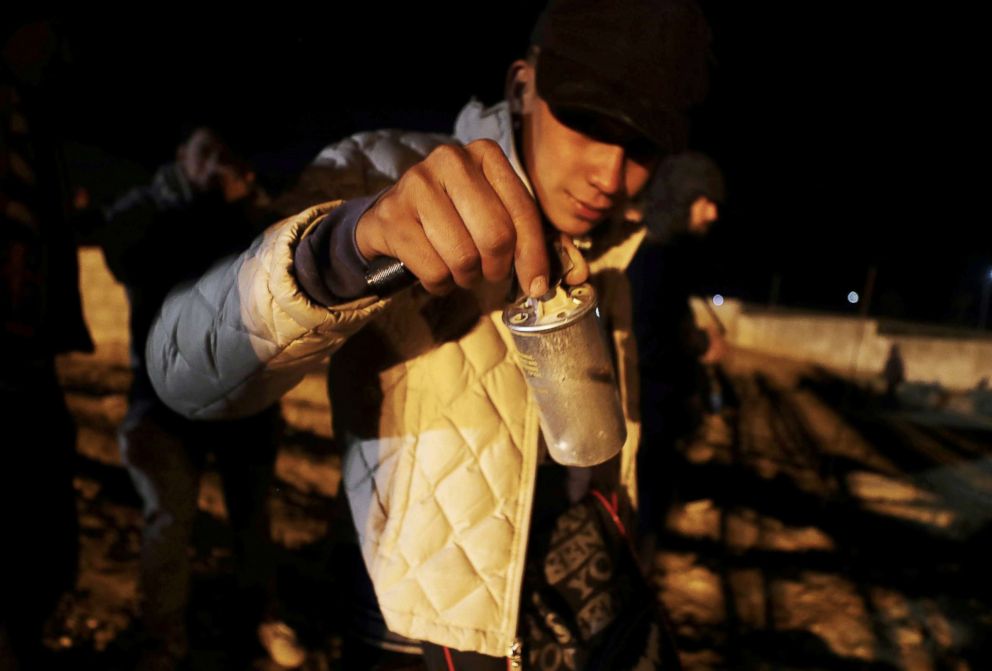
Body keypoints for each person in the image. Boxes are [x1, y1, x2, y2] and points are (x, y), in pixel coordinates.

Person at [145, 1, 712, 667]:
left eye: (642, 145)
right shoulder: (383, 175)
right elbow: (179, 369)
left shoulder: (617, 242)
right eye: (587, 124)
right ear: (523, 88)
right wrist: (341, 254)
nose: (610, 175)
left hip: (567, 615)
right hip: (413, 633)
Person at [97, 127, 304, 669]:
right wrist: (223, 207)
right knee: (168, 519)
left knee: (251, 518)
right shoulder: (148, 211)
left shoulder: (250, 216)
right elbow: (132, 253)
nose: (215, 165)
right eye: (204, 151)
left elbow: (273, 274)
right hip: (164, 397)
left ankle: (261, 617)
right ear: (180, 155)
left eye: (225, 154)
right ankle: (161, 637)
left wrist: (246, 209)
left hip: (246, 396)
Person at [1, 19, 92, 668]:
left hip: (28, 361)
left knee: (44, 545)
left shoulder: (31, 115)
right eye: (49, 30)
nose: (58, 49)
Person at [625, 151, 726, 566]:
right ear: (683, 198)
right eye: (705, 200)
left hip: (659, 419)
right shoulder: (651, 256)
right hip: (646, 418)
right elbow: (646, 342)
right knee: (640, 522)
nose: (713, 213)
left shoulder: (666, 255)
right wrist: (702, 346)